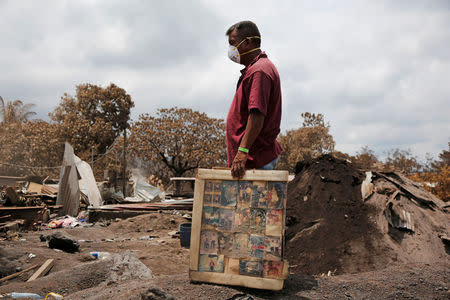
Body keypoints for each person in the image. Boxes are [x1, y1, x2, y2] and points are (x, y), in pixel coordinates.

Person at [225, 21, 283, 178]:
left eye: (233, 43)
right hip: (252, 159)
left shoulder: (259, 71)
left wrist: (243, 151)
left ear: (248, 42)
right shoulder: (256, 68)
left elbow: (257, 114)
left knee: (254, 203)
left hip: (255, 159)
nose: (230, 50)